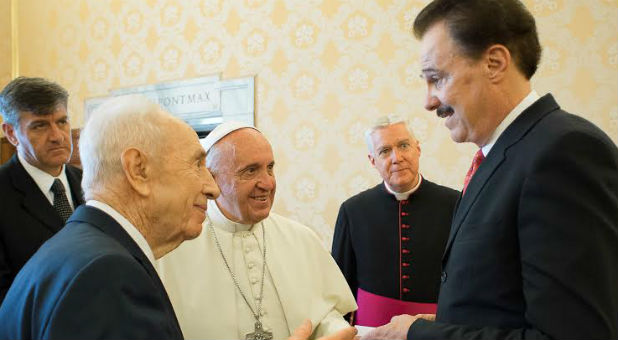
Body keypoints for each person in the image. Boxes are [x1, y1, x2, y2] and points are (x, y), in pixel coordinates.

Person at [364, 0, 618, 339]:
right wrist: (440, 322)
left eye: (436, 78)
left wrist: (419, 334)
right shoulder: (503, 156)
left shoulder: (564, 152)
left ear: (494, 63)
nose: (428, 101)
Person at [0, 95, 221, 339]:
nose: (213, 188)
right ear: (138, 169)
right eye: (197, 164)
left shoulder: (79, 248)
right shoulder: (108, 274)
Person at [156, 121, 357, 340]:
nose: (267, 183)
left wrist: (336, 331)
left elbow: (325, 315)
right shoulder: (173, 249)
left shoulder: (301, 238)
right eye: (250, 171)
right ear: (212, 179)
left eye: (270, 168)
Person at [331, 114, 458, 327]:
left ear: (418, 149)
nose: (396, 157)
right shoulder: (352, 211)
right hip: (371, 331)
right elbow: (339, 286)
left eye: (404, 145)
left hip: (436, 330)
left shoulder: (454, 203)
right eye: (384, 151)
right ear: (373, 161)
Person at [0, 77, 84, 304]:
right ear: (11, 133)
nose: (57, 136)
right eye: (40, 125)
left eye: (62, 121)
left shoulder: (91, 183)